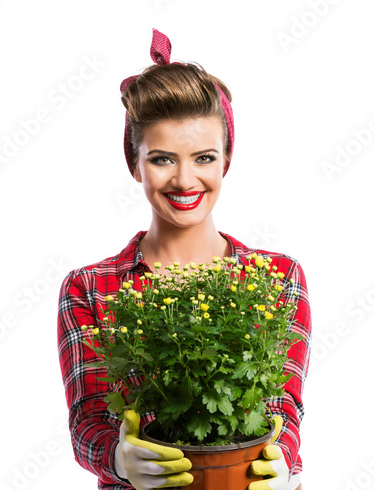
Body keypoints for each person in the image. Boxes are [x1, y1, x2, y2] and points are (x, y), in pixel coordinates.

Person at [57, 28, 311, 490]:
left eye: (204, 157)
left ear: (226, 161)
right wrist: (118, 459)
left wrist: (282, 463)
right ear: (134, 164)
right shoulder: (89, 287)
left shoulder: (278, 277)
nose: (184, 179)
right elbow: (89, 418)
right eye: (162, 160)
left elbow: (282, 407)